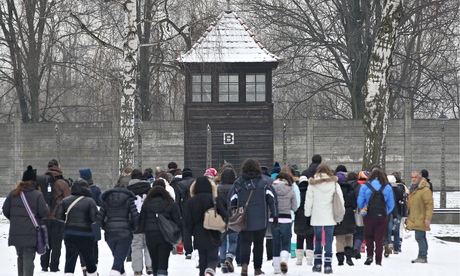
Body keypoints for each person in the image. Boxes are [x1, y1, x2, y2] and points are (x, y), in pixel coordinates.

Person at [228, 158, 278, 276]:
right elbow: (272, 200)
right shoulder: (264, 183)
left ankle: (244, 266)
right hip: (261, 219)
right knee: (258, 244)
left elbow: (232, 200)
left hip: (244, 220)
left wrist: (232, 214)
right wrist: (275, 215)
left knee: (245, 243)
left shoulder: (238, 183)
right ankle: (257, 269)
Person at [3, 165, 50, 276]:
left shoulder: (13, 193)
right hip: (31, 233)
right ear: (34, 181)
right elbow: (44, 213)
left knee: (20, 257)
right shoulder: (38, 195)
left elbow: (5, 210)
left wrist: (15, 219)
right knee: (28, 259)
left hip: (16, 232)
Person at [304, 164, 344, 274]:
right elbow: (340, 200)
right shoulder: (334, 184)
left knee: (317, 239)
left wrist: (307, 214)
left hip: (317, 215)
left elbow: (309, 200)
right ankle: (328, 265)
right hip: (330, 215)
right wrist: (341, 214)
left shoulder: (312, 184)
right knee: (329, 240)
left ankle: (317, 264)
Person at [56, 178, 99, 276]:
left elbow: (59, 217)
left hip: (70, 234)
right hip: (86, 234)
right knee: (89, 259)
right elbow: (94, 219)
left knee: (70, 259)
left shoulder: (65, 200)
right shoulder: (90, 201)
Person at [139, 179, 182, 276]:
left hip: (150, 233)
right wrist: (180, 232)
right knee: (163, 259)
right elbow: (177, 220)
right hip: (165, 235)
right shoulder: (171, 203)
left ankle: (155, 272)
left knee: (154, 259)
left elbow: (142, 220)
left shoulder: (146, 204)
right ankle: (162, 273)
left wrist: (138, 231)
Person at [185, 176, 227, 276]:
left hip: (198, 233)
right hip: (213, 232)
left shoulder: (191, 201)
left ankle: (203, 273)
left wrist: (192, 231)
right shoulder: (214, 199)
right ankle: (209, 271)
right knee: (213, 257)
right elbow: (224, 214)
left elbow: (187, 220)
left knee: (202, 258)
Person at [97, 181, 139, 276]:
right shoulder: (129, 199)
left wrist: (104, 226)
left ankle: (122, 273)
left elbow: (99, 217)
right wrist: (133, 227)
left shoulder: (106, 199)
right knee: (118, 261)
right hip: (125, 232)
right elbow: (135, 215)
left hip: (110, 232)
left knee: (118, 258)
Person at [357, 169, 395, 266]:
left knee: (368, 236)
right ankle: (378, 260)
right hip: (382, 216)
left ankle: (369, 255)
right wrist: (385, 212)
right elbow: (391, 204)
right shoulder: (387, 187)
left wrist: (364, 212)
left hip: (368, 215)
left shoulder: (365, 186)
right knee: (380, 238)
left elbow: (360, 202)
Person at [41, 159, 71, 273]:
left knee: (45, 242)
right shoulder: (62, 183)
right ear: (58, 167)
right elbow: (68, 198)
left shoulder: (41, 181)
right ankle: (54, 266)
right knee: (56, 244)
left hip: (44, 217)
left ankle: (44, 265)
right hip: (57, 217)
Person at [270, 172, 298, 274]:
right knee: (286, 242)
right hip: (286, 219)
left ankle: (276, 268)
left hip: (273, 219)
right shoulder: (290, 190)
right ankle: (283, 259)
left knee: (276, 242)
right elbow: (294, 207)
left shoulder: (271, 188)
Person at [127, 169, 153, 276]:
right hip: (148, 220)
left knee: (136, 246)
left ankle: (137, 270)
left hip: (134, 221)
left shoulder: (128, 190)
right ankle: (150, 266)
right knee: (149, 245)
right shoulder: (149, 189)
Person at [78, 168, 103, 276]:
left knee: (82, 245)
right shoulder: (96, 190)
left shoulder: (76, 189)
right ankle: (94, 267)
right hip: (93, 221)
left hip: (80, 220)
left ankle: (84, 267)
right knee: (94, 244)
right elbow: (101, 203)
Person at [215, 164, 238, 273]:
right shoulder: (236, 188)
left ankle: (223, 262)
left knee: (222, 241)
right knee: (233, 240)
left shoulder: (219, 188)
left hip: (221, 217)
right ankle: (230, 257)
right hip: (234, 217)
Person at [407, 171, 434, 263]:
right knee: (421, 236)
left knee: (419, 237)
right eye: (412, 177)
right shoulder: (413, 189)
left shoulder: (424, 190)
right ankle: (422, 255)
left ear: (419, 178)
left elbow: (429, 205)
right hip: (415, 216)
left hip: (421, 217)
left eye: (415, 177)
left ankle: (422, 256)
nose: (413, 179)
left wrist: (428, 218)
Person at [333, 171, 357, 266]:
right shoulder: (350, 190)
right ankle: (348, 257)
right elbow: (355, 205)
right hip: (349, 215)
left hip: (339, 214)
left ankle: (340, 259)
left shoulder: (335, 190)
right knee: (349, 237)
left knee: (340, 238)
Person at [294, 175, 314, 266]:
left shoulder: (296, 192)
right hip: (309, 217)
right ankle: (309, 260)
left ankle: (299, 259)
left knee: (299, 238)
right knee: (309, 238)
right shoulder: (310, 191)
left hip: (299, 217)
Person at [384, 175, 404, 257]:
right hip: (398, 211)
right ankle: (396, 248)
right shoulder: (399, 190)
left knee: (388, 229)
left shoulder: (387, 189)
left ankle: (389, 243)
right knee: (396, 231)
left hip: (389, 211)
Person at [352, 170, 369, 259]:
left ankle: (351, 246)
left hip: (352, 209)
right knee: (360, 230)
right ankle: (358, 246)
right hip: (362, 209)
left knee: (353, 230)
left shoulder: (354, 185)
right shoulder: (367, 186)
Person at [180, 167, 196, 259]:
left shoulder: (180, 184)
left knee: (186, 231)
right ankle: (197, 248)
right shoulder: (195, 182)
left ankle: (188, 251)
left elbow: (177, 201)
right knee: (197, 228)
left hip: (185, 209)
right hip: (195, 207)